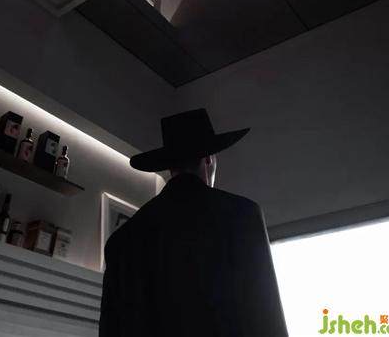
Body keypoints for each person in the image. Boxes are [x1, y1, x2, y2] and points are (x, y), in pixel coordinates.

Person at [99, 108, 288, 337]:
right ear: (209, 159)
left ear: (170, 167)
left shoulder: (121, 241)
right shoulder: (242, 216)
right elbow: (266, 317)